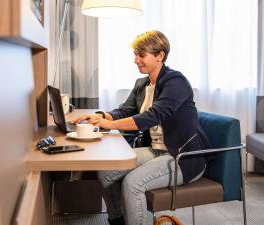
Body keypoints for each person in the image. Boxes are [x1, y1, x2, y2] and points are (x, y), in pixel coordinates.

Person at [74, 30, 211, 225]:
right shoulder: (142, 84)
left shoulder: (176, 82)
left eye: (141, 55)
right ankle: (118, 220)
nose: (135, 60)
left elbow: (153, 116)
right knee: (105, 170)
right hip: (156, 150)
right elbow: (126, 110)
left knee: (132, 183)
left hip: (182, 156)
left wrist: (110, 124)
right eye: (135, 54)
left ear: (160, 55)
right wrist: (100, 116)